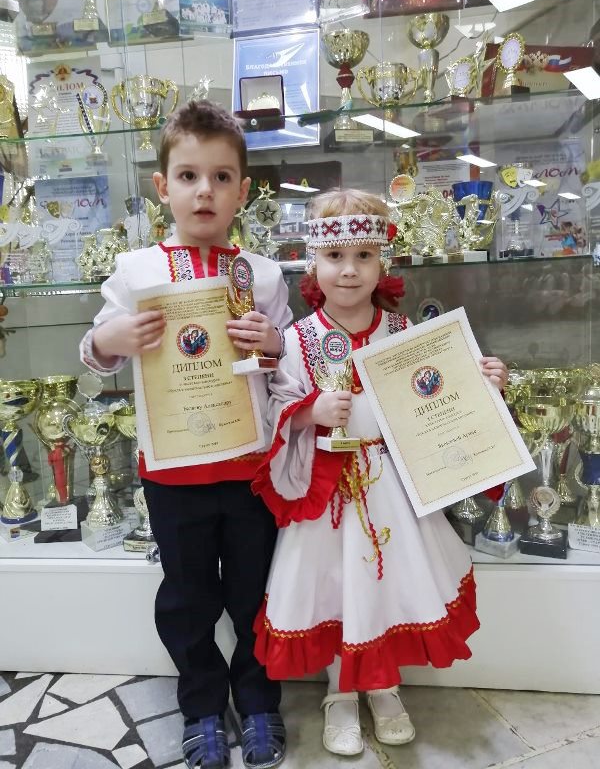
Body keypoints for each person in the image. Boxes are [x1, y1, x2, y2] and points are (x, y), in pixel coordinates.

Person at [251, 189, 508, 758]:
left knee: (388, 587)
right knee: (337, 590)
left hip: (391, 485)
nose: (349, 270)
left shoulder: (404, 330)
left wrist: (481, 383)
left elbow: (435, 395)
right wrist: (309, 412)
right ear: (313, 264)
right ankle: (341, 694)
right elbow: (274, 410)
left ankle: (384, 688)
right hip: (326, 495)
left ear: (382, 261)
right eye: (335, 257)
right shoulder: (295, 339)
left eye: (363, 256)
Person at [79, 100, 291, 769]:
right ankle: (201, 702)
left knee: (256, 594)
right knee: (187, 597)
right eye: (189, 176)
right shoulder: (135, 271)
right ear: (162, 186)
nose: (205, 191)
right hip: (172, 472)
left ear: (243, 191)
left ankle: (257, 699)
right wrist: (110, 338)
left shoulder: (262, 274)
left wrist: (274, 344)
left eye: (222, 177)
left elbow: (285, 369)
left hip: (250, 466)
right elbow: (94, 351)